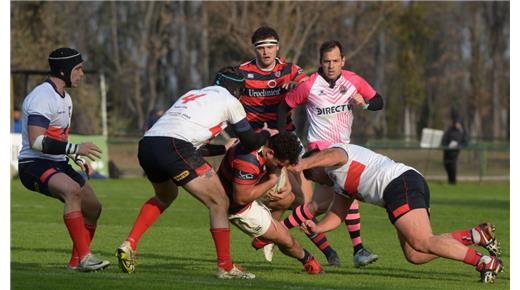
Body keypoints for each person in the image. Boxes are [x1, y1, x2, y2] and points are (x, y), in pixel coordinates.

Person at [115, 66, 278, 279]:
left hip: (147, 145)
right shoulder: (231, 101)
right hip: (174, 146)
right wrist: (266, 132)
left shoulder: (193, 94)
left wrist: (223, 149)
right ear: (238, 90)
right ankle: (226, 267)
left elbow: (189, 143)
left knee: (166, 196)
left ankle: (129, 244)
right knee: (219, 202)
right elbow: (249, 142)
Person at [295, 144, 503, 283]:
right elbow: (337, 215)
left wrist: (304, 163)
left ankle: (484, 262)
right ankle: (476, 235)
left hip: (398, 184)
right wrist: (318, 227)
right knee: (416, 254)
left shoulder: (337, 154)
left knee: (422, 241)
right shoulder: (339, 183)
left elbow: (332, 155)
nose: (315, 181)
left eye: (311, 175)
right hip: (402, 186)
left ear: (317, 163)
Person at [236, 26, 341, 266]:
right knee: (272, 197)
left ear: (278, 47)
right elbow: (228, 102)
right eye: (261, 48)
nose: (266, 52)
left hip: (289, 142)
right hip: (258, 145)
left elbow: (310, 87)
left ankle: (320, 249)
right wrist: (234, 134)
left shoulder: (290, 71)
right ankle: (320, 250)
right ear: (255, 50)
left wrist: (297, 88)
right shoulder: (243, 72)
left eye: (270, 47)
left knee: (303, 202)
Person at [278, 40, 383, 267]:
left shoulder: (353, 80)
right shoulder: (309, 85)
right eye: (327, 61)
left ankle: (277, 231)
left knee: (324, 203)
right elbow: (284, 106)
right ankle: (358, 250)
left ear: (343, 61)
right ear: (320, 62)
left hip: (344, 150)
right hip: (319, 151)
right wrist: (283, 135)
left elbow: (379, 101)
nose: (331, 65)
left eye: (335, 61)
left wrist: (364, 104)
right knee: (344, 192)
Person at [17, 48, 110, 272]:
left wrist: (75, 156)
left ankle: (75, 262)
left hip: (57, 163)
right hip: (33, 164)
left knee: (94, 208)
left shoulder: (65, 98)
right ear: (63, 70)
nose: (82, 73)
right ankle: (86, 258)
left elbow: (57, 137)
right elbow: (37, 141)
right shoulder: (42, 97)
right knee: (71, 190)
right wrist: (76, 147)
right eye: (78, 68)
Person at [217, 132, 322, 274]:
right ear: (271, 153)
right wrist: (272, 180)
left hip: (244, 193)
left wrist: (287, 182)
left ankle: (272, 239)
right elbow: (241, 198)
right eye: (279, 165)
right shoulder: (248, 162)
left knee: (287, 198)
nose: (279, 169)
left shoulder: (264, 142)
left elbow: (277, 144)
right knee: (285, 240)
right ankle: (308, 260)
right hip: (238, 207)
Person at [441, 116, 467, 185]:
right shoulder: (449, 130)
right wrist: (447, 146)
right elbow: (444, 140)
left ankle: (453, 182)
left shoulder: (462, 132)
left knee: (453, 166)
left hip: (455, 152)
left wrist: (459, 145)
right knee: (447, 165)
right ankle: (450, 180)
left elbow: (465, 141)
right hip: (447, 151)